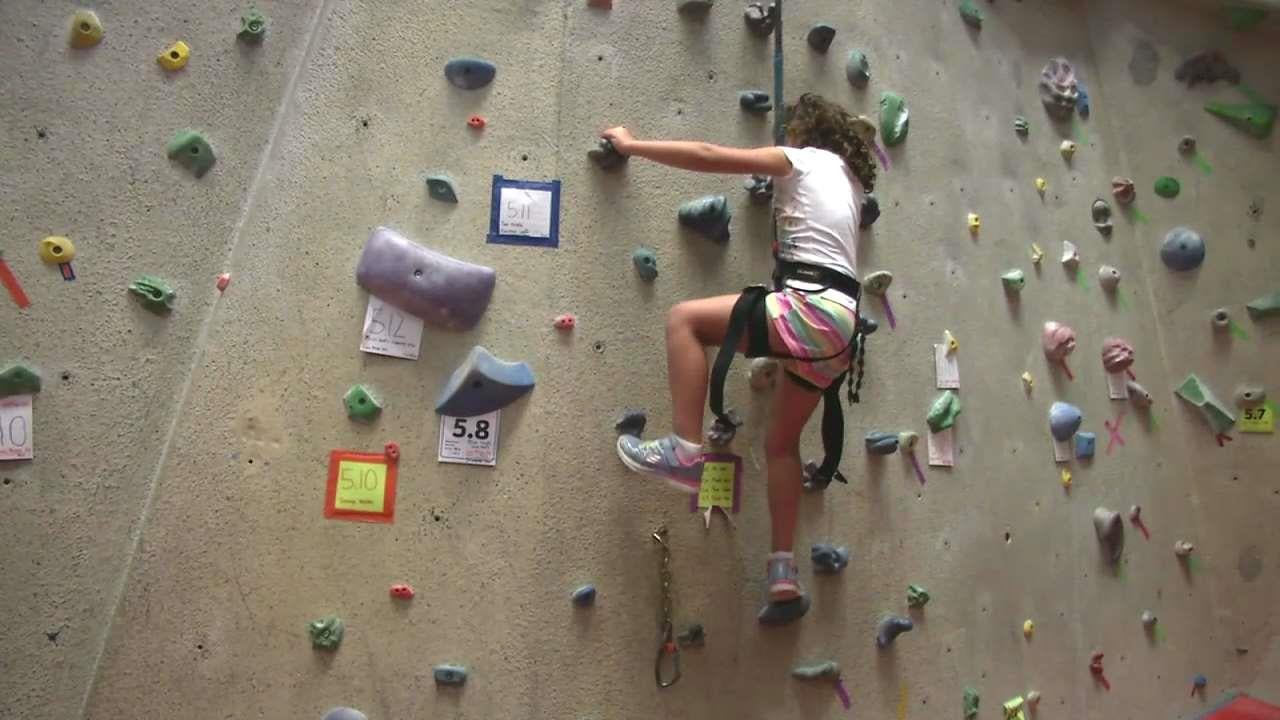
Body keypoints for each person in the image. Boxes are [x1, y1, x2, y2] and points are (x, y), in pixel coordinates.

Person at [607, 93, 878, 604]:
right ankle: (782, 569)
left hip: (810, 308)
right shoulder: (850, 181)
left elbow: (708, 154)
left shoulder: (800, 160)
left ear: (802, 133)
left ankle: (684, 452)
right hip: (841, 330)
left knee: (684, 320)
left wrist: (632, 145)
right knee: (781, 445)